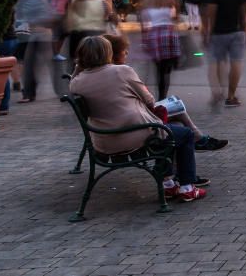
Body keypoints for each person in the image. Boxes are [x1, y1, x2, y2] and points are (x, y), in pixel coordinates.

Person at [67, 36, 207, 202]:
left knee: (168, 129)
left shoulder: (76, 83)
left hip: (103, 142)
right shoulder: (121, 71)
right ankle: (187, 187)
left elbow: (74, 79)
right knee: (184, 134)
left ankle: (169, 184)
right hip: (133, 136)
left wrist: (78, 67)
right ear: (108, 52)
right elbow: (150, 101)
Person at [104, 34, 227, 151]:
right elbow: (149, 101)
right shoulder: (123, 72)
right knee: (177, 110)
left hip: (109, 129)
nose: (127, 53)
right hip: (133, 124)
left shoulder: (95, 75)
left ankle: (198, 140)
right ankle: (198, 140)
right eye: (123, 50)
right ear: (113, 54)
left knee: (176, 111)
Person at [201, 0, 246, 107]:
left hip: (219, 33)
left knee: (217, 61)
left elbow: (211, 16)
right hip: (238, 32)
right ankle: (231, 96)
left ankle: (219, 91)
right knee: (236, 62)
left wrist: (207, 34)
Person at [139, 0, 182, 100]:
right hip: (169, 35)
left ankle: (160, 97)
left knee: (159, 70)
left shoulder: (146, 2)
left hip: (154, 36)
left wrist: (145, 40)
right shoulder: (172, 0)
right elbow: (176, 19)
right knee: (166, 71)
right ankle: (163, 97)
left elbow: (144, 23)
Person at [14, 0, 56, 103]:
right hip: (40, 35)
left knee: (30, 65)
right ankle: (30, 93)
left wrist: (31, 20)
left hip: (38, 36)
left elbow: (44, 16)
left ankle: (29, 94)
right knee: (39, 65)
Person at [67, 0, 115, 68]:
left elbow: (70, 21)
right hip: (97, 34)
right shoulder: (103, 3)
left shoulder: (75, 1)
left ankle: (76, 75)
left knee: (78, 62)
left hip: (78, 35)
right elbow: (108, 17)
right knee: (97, 61)